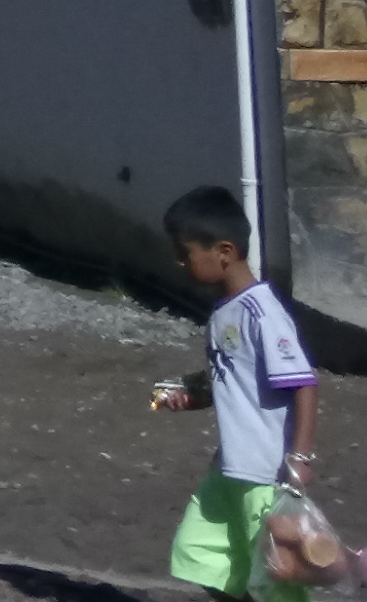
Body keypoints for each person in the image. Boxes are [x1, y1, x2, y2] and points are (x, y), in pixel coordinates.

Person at [153, 184, 322, 601]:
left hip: (265, 473)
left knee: (277, 578)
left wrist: (300, 458)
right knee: (201, 552)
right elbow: (231, 383)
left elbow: (303, 383)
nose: (179, 262)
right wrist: (190, 397)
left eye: (185, 252)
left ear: (224, 251)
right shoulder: (223, 313)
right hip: (230, 466)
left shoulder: (262, 314)